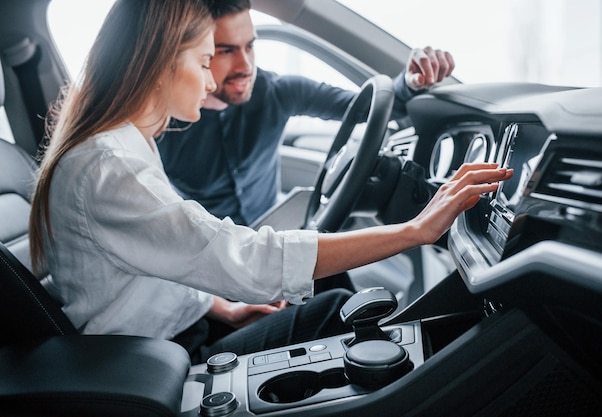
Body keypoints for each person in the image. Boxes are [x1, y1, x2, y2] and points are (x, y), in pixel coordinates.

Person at [28, 0, 512, 365]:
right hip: (153, 359)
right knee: (340, 311)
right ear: (159, 65)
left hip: (176, 328)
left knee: (335, 298)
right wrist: (416, 230)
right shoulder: (110, 165)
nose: (214, 81)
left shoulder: (124, 147)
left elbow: (157, 264)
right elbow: (236, 258)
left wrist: (223, 309)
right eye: (205, 62)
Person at [158, 0, 456, 226]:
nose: (246, 66)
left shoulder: (278, 91)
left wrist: (411, 80)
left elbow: (370, 108)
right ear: (198, 51)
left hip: (278, 230)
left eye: (249, 46)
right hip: (211, 258)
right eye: (226, 51)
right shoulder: (159, 123)